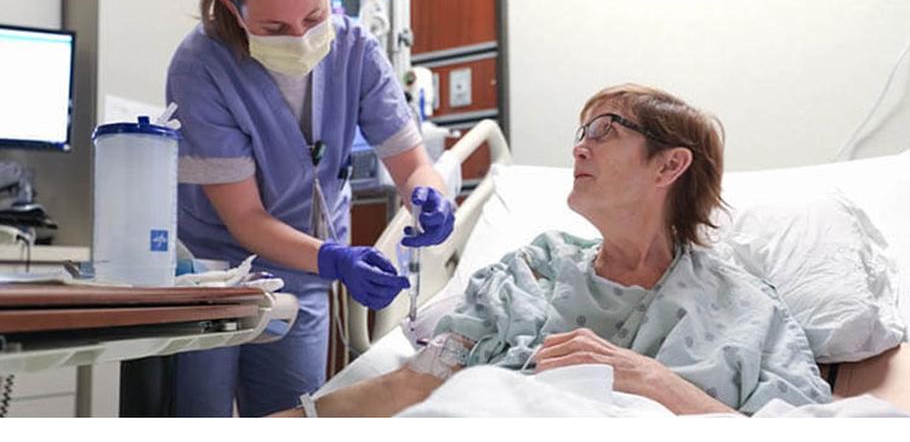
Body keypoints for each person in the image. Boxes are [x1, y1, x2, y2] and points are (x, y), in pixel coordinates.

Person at [272, 83, 833, 417]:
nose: (578, 147)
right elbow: (417, 384)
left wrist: (650, 379)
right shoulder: (533, 272)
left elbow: (803, 429)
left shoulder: (746, 309)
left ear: (670, 164)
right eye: (580, 131)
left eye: (604, 130)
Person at [164, 0, 455, 417]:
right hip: (210, 279)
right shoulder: (200, 67)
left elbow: (413, 166)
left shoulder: (355, 52)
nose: (300, 37)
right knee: (197, 414)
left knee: (293, 414)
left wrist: (429, 193)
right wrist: (335, 259)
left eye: (315, 17)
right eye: (276, 25)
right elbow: (245, 220)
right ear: (233, 9)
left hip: (302, 276)